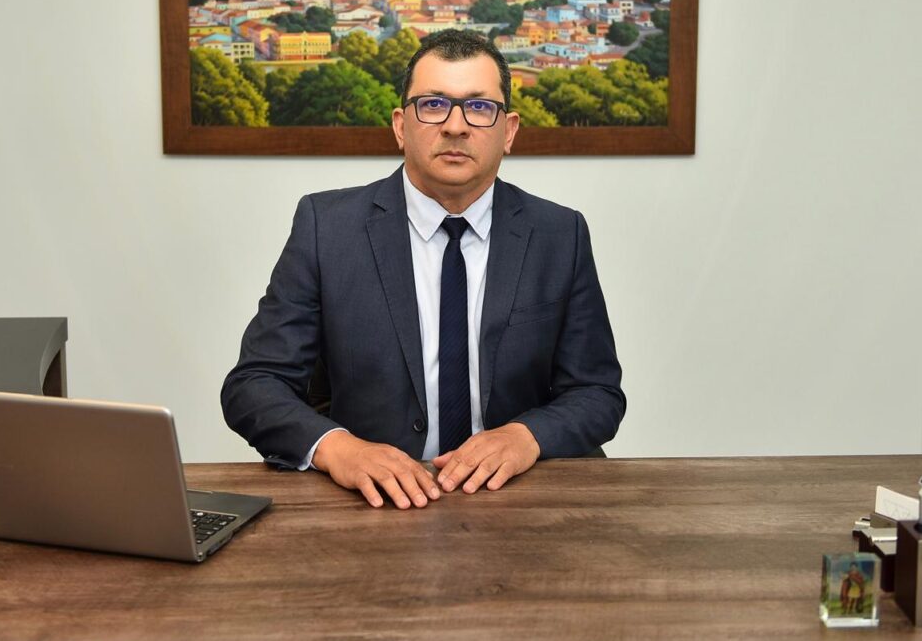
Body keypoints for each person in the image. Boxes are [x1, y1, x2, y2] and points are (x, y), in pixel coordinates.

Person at [221, 29, 625, 509]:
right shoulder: (326, 228)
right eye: (433, 105)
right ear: (400, 125)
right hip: (371, 503)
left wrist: (525, 436)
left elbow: (598, 392)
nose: (455, 126)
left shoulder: (560, 234)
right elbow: (254, 385)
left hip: (515, 498)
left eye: (479, 107)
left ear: (509, 130)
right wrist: (340, 449)